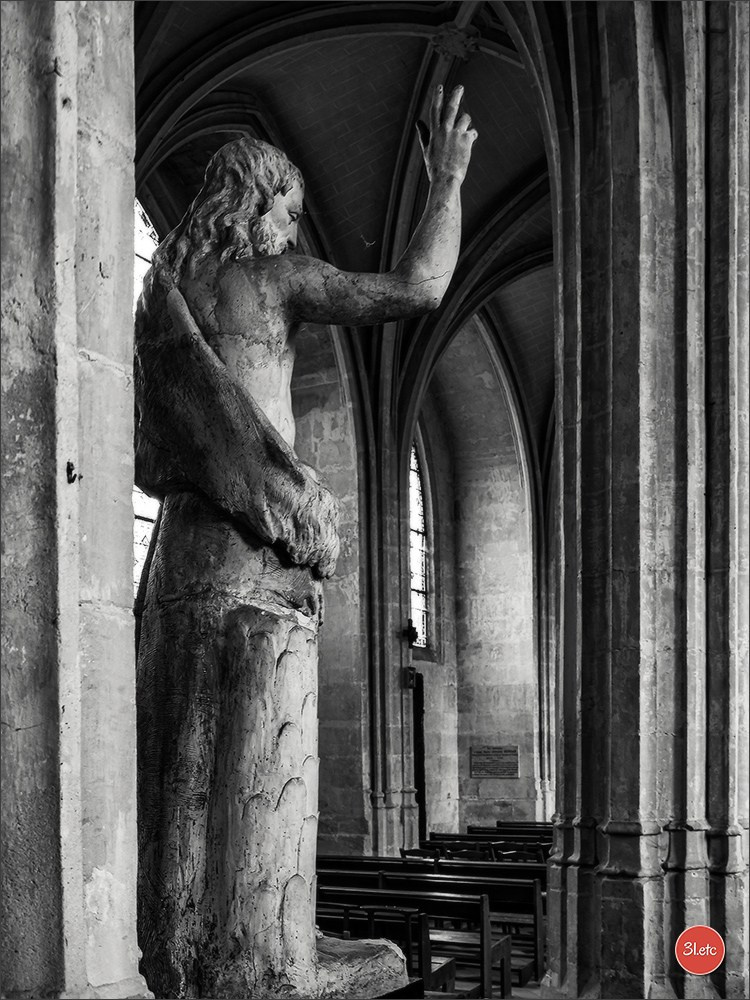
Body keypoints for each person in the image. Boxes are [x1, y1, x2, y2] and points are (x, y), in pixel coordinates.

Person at [134, 84, 476, 999]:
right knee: (260, 742)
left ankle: (179, 948)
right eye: (287, 209)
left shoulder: (161, 293)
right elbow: (419, 288)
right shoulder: (273, 276)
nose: (292, 225)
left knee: (181, 763)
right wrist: (447, 181)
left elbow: (151, 444)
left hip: (177, 553)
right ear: (260, 203)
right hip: (255, 546)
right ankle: (268, 954)